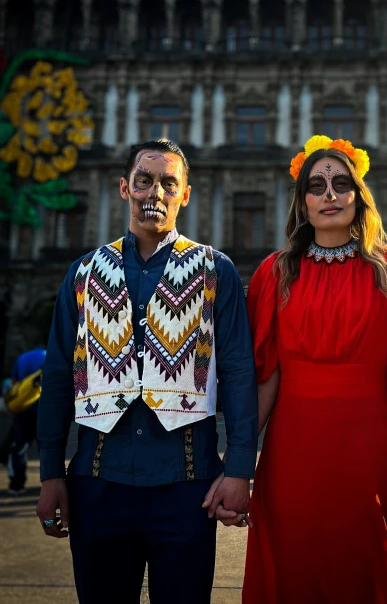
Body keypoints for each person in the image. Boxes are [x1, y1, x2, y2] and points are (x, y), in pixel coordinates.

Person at [207, 135, 387, 603]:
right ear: (302, 202)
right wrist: (239, 467)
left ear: (358, 196)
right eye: (317, 185)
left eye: (340, 183)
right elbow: (267, 378)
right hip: (292, 459)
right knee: (294, 574)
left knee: (370, 578)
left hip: (371, 459)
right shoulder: (275, 273)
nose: (329, 194)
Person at [36, 139, 258, 604]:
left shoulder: (217, 272)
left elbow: (238, 372)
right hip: (97, 484)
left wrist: (239, 468)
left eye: (168, 183)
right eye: (144, 180)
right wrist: (51, 473)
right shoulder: (82, 274)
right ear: (124, 188)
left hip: (187, 487)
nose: (154, 192)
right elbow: (57, 376)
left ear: (185, 195)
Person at [4, 346, 46, 495]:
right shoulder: (50, 356)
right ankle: (50, 484)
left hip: (24, 411)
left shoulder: (22, 358)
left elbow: (12, 383)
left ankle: (16, 484)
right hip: (46, 410)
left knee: (19, 448)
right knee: (48, 448)